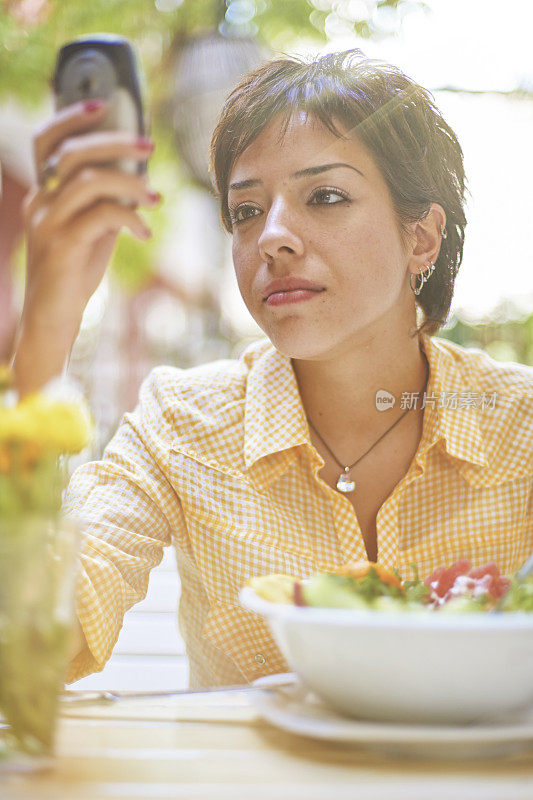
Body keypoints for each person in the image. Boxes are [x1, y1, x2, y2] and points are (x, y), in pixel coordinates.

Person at [12, 50, 533, 688]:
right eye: (246, 211)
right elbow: (29, 649)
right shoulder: (182, 425)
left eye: (326, 196)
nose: (273, 237)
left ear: (420, 238)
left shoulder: (518, 424)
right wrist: (44, 331)